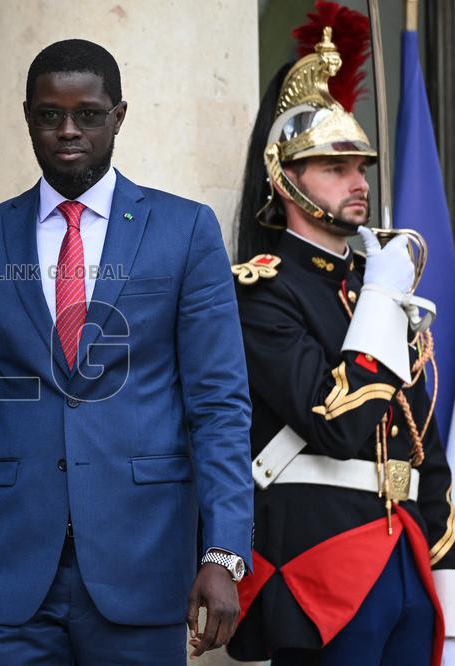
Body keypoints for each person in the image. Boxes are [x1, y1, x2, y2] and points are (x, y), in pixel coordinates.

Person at [0, 38, 254, 664]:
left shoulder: (186, 230)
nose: (67, 130)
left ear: (118, 116)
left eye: (88, 114)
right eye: (49, 115)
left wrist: (225, 551)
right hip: (16, 573)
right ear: (28, 117)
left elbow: (218, 405)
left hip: (145, 563)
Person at [227, 6, 454, 664]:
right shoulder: (259, 292)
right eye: (335, 167)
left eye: (361, 166)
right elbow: (336, 424)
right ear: (285, 181)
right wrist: (383, 298)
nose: (359, 182)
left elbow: (423, 438)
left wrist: (439, 555)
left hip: (403, 554)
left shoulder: (373, 287)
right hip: (318, 567)